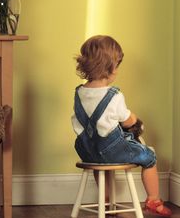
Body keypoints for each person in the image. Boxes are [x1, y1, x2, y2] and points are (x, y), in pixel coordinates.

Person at [71, 35, 172, 217]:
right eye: (117, 66)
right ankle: (153, 200)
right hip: (111, 150)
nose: (117, 71)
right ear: (110, 67)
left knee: (99, 164)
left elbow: (79, 122)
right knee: (149, 156)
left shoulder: (79, 93)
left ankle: (107, 200)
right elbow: (127, 120)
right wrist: (136, 121)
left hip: (87, 151)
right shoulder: (114, 95)